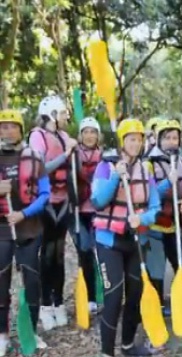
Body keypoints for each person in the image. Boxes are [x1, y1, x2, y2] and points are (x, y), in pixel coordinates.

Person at [91, 118, 161, 357]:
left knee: (135, 294)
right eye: (131, 138)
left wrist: (142, 218)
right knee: (113, 298)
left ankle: (129, 343)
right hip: (109, 241)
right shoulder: (105, 168)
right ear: (122, 142)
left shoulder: (145, 170)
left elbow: (156, 207)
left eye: (139, 139)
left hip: (135, 240)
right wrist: (116, 178)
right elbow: (97, 201)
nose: (136, 143)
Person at [0, 109, 50, 356]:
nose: (7, 130)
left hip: (29, 227)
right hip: (2, 230)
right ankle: (2, 334)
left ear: (20, 130)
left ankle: (30, 329)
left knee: (31, 280)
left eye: (12, 126)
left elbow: (44, 195)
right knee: (2, 282)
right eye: (3, 126)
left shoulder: (34, 157)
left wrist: (24, 213)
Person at [28, 95, 78, 330]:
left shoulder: (64, 136)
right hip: (46, 202)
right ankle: (45, 306)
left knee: (58, 255)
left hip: (64, 202)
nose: (65, 117)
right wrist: (65, 155)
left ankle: (58, 302)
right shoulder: (37, 136)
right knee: (46, 255)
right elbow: (41, 168)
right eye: (62, 113)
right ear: (51, 114)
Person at [145, 119, 182, 315]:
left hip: (176, 226)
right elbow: (148, 193)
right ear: (159, 140)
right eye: (167, 138)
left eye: (175, 138)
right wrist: (167, 182)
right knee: (156, 270)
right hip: (156, 227)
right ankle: (157, 307)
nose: (172, 142)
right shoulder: (149, 164)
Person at [71, 117, 103, 313]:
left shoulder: (103, 156)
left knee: (101, 252)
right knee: (85, 252)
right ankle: (90, 297)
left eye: (93, 132)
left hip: (99, 211)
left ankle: (104, 292)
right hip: (79, 211)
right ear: (81, 135)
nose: (90, 135)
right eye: (86, 132)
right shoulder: (73, 155)